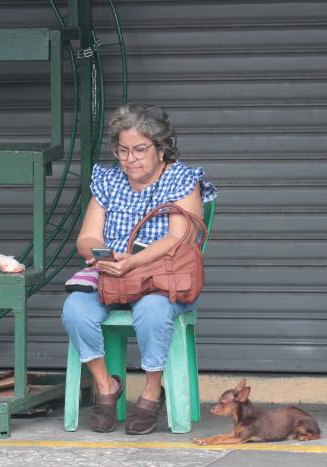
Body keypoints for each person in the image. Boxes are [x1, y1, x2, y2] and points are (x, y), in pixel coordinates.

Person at [61, 103, 217, 435]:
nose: (130, 158)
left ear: (161, 149)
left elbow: (178, 239)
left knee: (153, 310)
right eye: (123, 150)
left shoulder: (182, 178)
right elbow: (86, 237)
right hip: (113, 274)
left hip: (162, 277)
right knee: (75, 309)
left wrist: (134, 260)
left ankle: (150, 391)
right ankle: (106, 385)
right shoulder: (108, 179)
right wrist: (104, 256)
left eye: (140, 150)